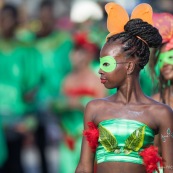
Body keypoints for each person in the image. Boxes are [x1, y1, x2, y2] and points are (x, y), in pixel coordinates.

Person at [75, 2, 173, 173]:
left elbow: (169, 168)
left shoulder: (160, 113)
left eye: (107, 64)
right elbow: (84, 167)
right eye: (100, 63)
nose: (100, 70)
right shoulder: (95, 108)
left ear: (129, 67)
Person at [53, 32, 107, 173]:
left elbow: (102, 110)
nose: (73, 55)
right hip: (68, 139)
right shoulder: (66, 80)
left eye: (78, 51)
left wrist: (79, 103)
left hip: (87, 139)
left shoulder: (97, 79)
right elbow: (57, 106)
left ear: (88, 54)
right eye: (73, 51)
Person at [149, 13, 173, 161]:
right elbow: (154, 149)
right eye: (161, 60)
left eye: (170, 57)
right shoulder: (155, 102)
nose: (165, 64)